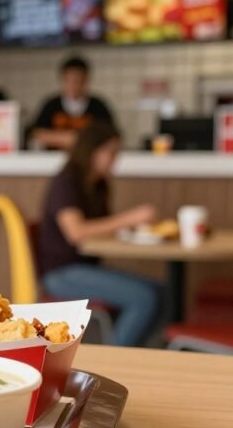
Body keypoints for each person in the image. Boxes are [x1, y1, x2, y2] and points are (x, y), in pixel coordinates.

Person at [39, 122, 162, 347]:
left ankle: (144, 352)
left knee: (160, 290)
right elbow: (76, 232)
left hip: (87, 267)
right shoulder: (66, 181)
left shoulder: (99, 185)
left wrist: (130, 228)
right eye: (111, 152)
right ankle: (117, 356)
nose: (115, 159)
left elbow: (102, 227)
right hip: (61, 273)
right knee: (145, 298)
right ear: (91, 151)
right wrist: (130, 219)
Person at [28, 56, 115, 150]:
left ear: (86, 80)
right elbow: (34, 133)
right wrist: (62, 138)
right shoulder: (51, 105)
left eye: (78, 81)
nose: (74, 85)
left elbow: (111, 136)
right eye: (70, 81)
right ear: (63, 79)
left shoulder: (98, 107)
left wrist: (80, 139)